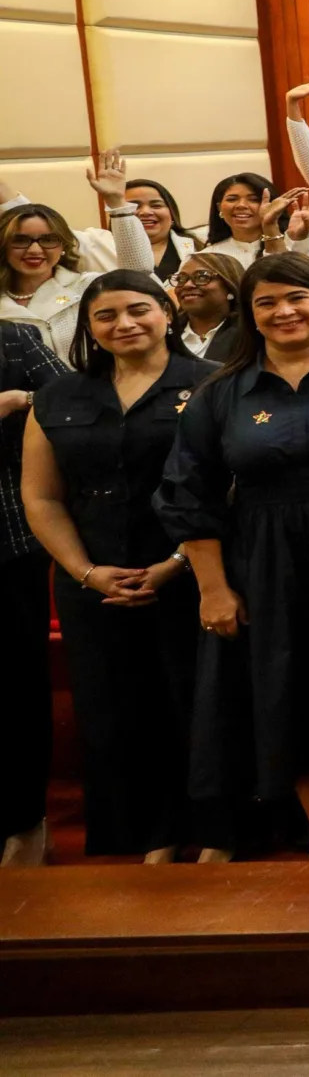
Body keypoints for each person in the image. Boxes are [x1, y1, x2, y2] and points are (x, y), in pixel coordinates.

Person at [155, 253, 309, 861]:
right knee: (284, 688)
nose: (283, 312)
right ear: (249, 313)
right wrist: (214, 588)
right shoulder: (220, 393)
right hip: (263, 560)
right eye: (266, 302)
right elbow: (188, 492)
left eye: (297, 298)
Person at [20, 274, 218, 861]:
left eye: (138, 310)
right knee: (114, 711)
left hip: (192, 574)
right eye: (106, 316)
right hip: (95, 581)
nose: (124, 324)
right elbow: (43, 497)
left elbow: (228, 486)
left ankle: (212, 831)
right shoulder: (59, 396)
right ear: (88, 327)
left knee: (196, 705)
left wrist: (175, 564)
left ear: (167, 311)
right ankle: (148, 836)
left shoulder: (212, 385)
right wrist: (85, 571)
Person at [0, 307, 72, 865]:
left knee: (17, 688)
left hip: (6, 539)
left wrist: (18, 400)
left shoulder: (14, 338)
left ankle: (25, 821)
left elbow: (70, 400)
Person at [3, 159, 155, 355]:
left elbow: (138, 273)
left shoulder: (88, 287)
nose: (34, 250)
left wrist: (117, 203)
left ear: (64, 246)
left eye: (48, 240)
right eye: (21, 240)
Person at [170, 252, 244, 360]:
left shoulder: (250, 335)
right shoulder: (165, 334)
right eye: (181, 279)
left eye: (202, 277)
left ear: (229, 285)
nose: (187, 285)